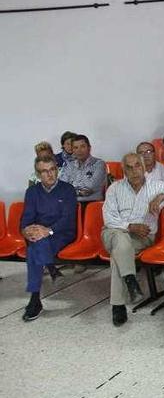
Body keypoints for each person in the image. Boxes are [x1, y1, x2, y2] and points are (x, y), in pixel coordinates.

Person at [101, 153, 164, 326]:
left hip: (142, 238)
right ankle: (129, 280)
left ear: (143, 166)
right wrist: (130, 226)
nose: (134, 171)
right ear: (124, 170)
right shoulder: (115, 188)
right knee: (119, 237)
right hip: (112, 232)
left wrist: (162, 196)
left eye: (137, 166)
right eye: (129, 167)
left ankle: (121, 299)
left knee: (118, 253)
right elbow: (109, 218)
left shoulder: (157, 186)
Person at [20, 155, 77, 322]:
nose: (50, 174)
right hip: (40, 235)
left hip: (62, 233)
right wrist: (26, 231)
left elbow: (67, 219)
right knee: (36, 244)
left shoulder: (67, 189)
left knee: (35, 247)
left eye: (53, 169)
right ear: (38, 175)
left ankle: (35, 298)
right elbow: (27, 218)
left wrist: (49, 230)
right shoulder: (32, 192)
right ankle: (49, 269)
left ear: (57, 170)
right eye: (44, 171)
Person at [59, 134, 107, 202]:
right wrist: (78, 192)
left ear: (89, 148)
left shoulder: (99, 164)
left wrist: (69, 190)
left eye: (82, 147)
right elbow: (61, 186)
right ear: (73, 150)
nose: (79, 150)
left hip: (90, 204)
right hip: (70, 204)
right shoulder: (70, 165)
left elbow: (89, 187)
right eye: (76, 148)